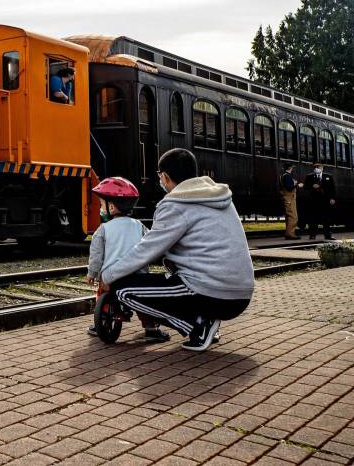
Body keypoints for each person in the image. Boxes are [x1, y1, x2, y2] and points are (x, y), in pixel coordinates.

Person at [100, 148, 254, 352]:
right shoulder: (218, 196)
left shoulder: (175, 204)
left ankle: (198, 326)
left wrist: (108, 275)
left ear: (164, 176)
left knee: (124, 289)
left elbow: (148, 250)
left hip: (213, 292)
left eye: (159, 177)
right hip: (241, 294)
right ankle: (204, 320)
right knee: (170, 270)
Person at [86, 176, 170, 342]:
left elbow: (96, 255)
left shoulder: (103, 229)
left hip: (111, 278)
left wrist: (92, 274)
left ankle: (100, 323)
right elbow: (151, 246)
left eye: (102, 204)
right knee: (142, 301)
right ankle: (151, 329)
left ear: (111, 207)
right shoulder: (139, 226)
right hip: (137, 277)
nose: (101, 208)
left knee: (102, 293)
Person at [303, 162, 336, 240]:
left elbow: (332, 188)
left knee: (326, 218)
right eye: (315, 167)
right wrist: (312, 186)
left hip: (325, 201)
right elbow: (305, 186)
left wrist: (332, 198)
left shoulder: (328, 176)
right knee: (313, 219)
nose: (316, 168)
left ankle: (328, 235)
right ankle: (312, 235)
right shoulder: (309, 176)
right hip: (313, 201)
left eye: (318, 167)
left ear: (322, 168)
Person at [278, 163, 300, 240]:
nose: (293, 169)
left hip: (286, 197)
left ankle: (289, 233)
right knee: (293, 217)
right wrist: (297, 185)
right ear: (290, 168)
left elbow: (282, 188)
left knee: (288, 216)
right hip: (290, 198)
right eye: (292, 168)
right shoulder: (287, 176)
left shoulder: (282, 176)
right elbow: (289, 188)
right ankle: (290, 234)